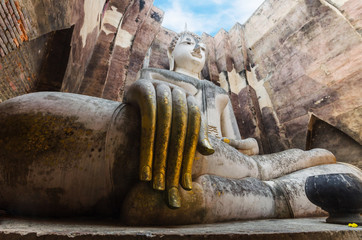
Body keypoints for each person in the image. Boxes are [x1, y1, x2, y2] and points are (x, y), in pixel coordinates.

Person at [0, 30, 360, 225]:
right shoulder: (158, 75)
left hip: (218, 150)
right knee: (250, 170)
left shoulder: (217, 91)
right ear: (172, 52)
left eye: (203, 45)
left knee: (256, 164)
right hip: (168, 137)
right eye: (190, 43)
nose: (199, 49)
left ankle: (296, 168)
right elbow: (135, 99)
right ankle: (290, 187)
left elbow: (235, 137)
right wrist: (144, 91)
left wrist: (243, 142)